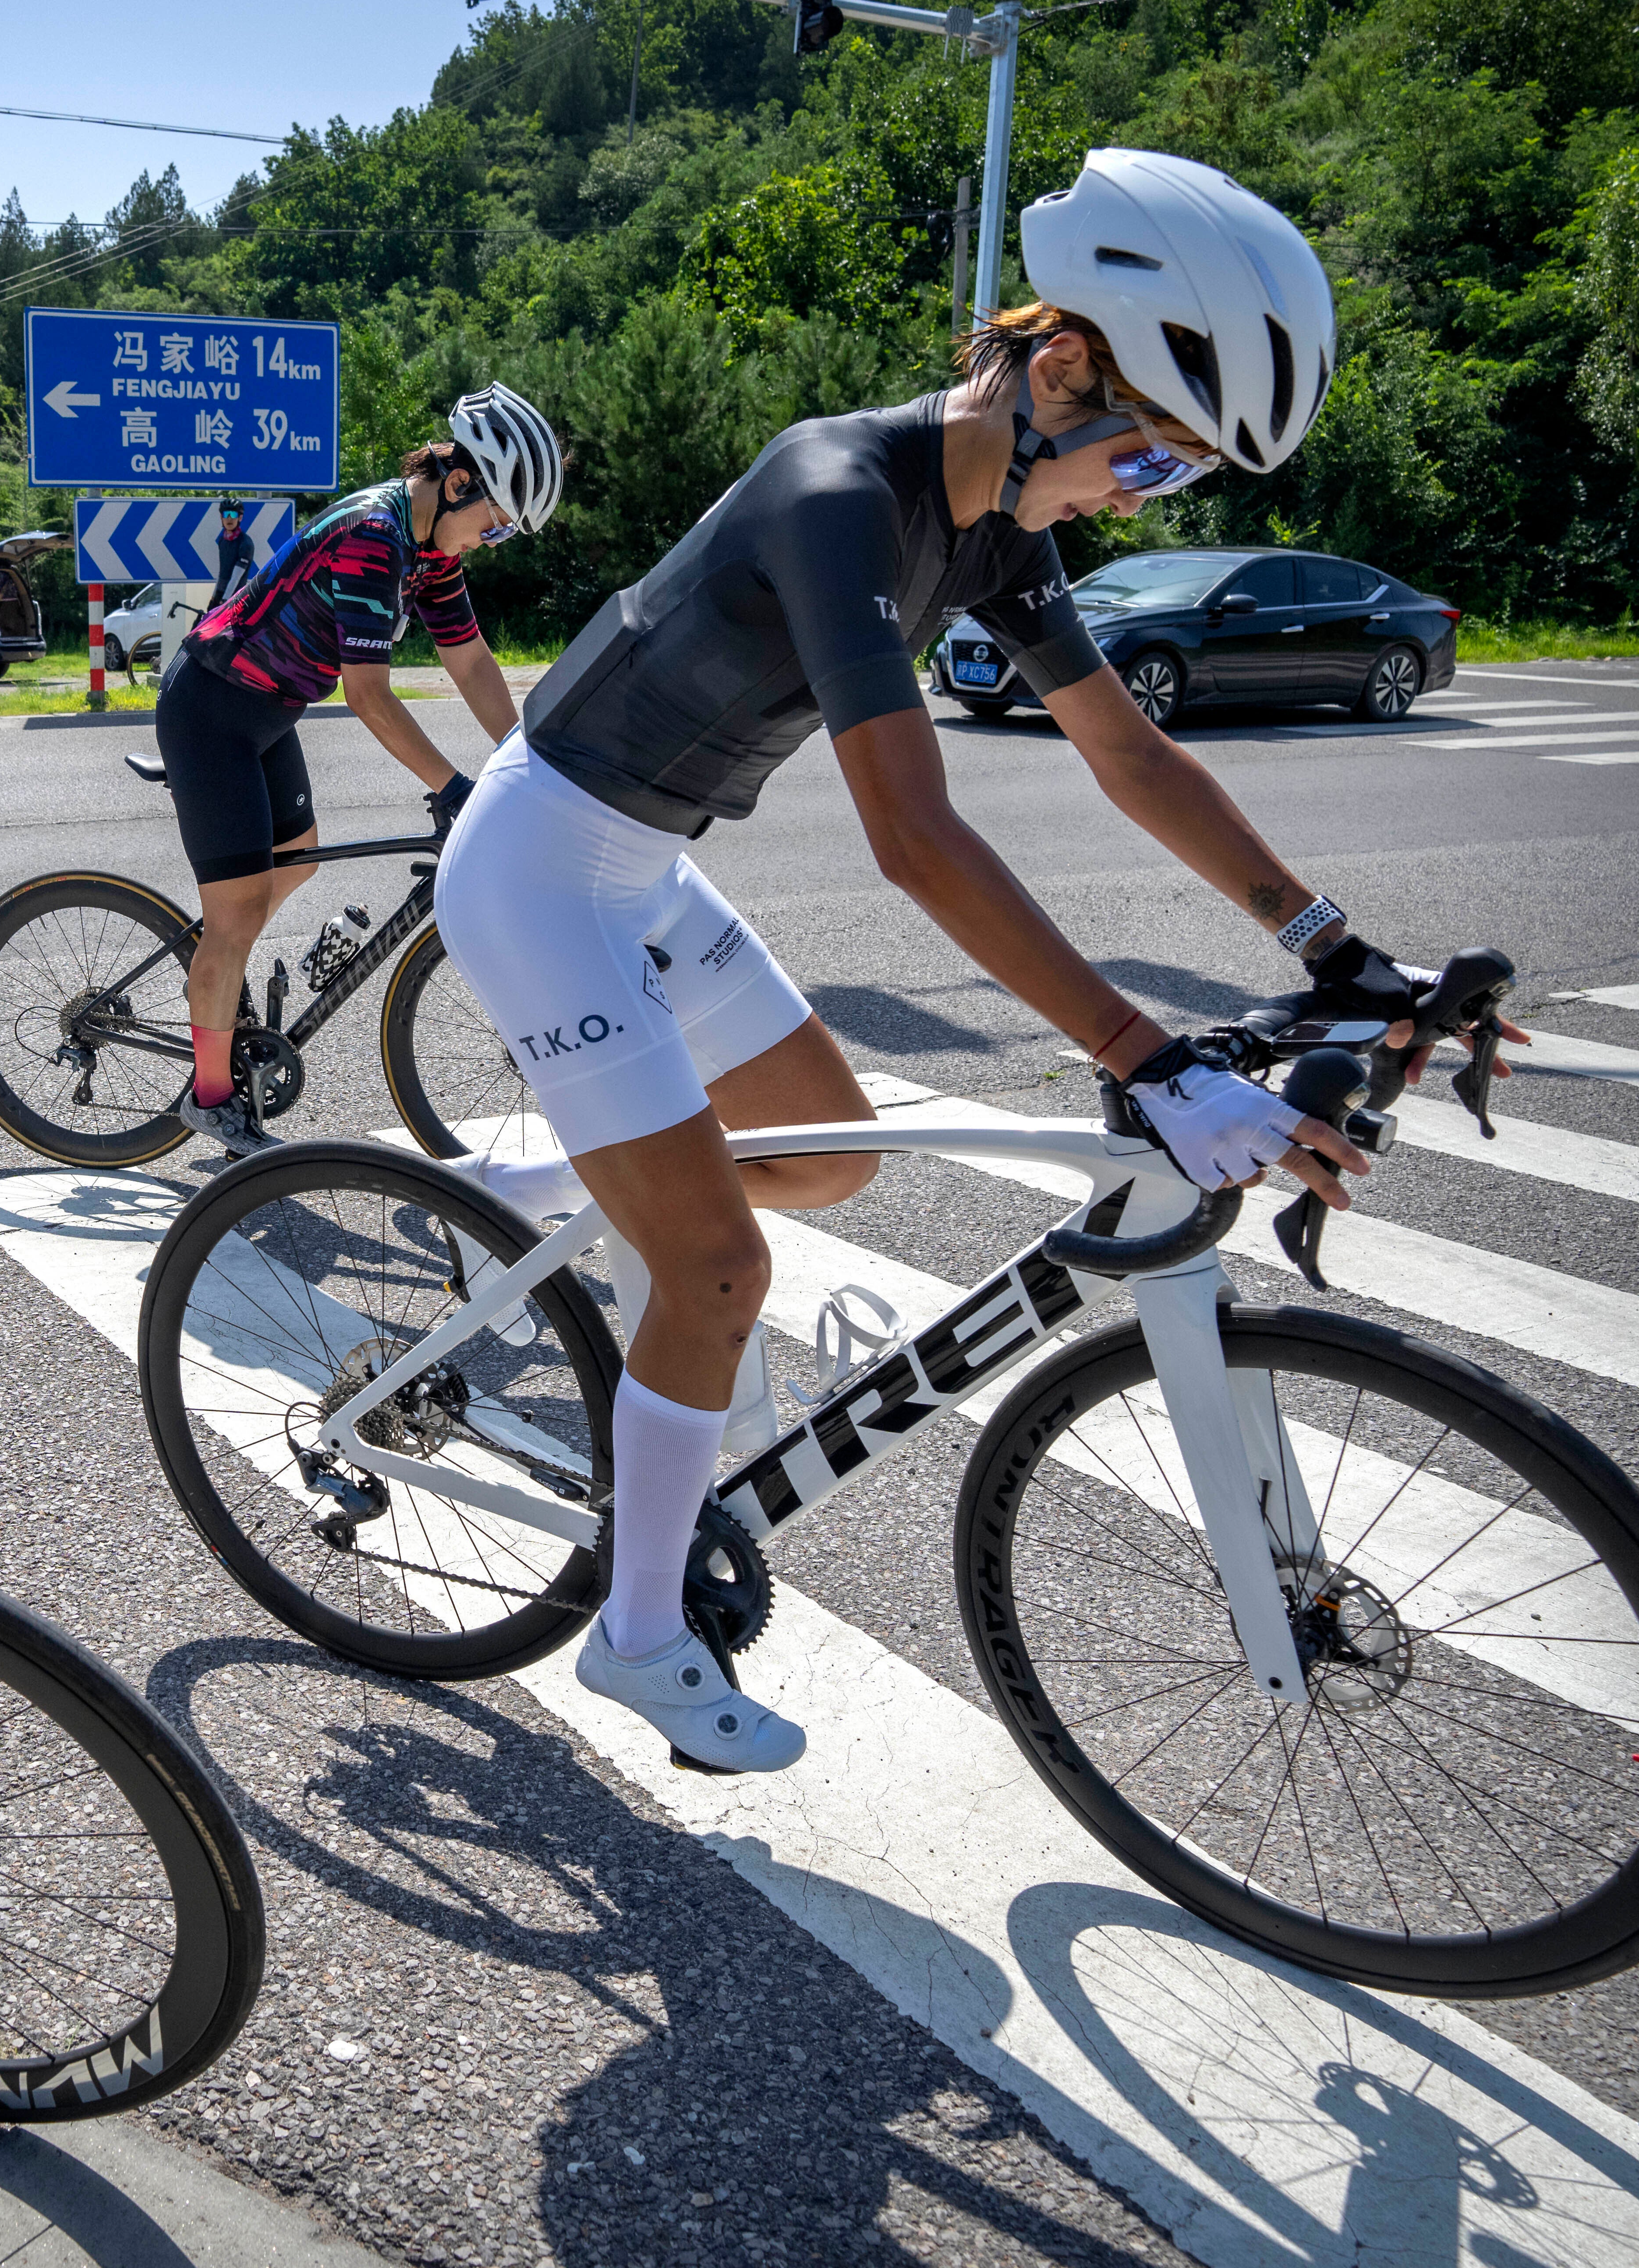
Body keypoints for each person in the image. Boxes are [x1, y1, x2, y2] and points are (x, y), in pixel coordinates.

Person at [427, 148, 1520, 1774]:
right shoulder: (832, 495)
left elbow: (1127, 753)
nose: (1133, 500)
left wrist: (1336, 949)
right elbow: (913, 835)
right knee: (724, 1268)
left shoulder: (999, 533)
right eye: (1148, 464)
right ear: (1059, 367)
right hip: (532, 866)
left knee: (832, 1156)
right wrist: (1143, 1055)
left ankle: (566, 1174)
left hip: (641, 867)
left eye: (1174, 488)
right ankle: (636, 1636)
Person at [153, 382, 564, 1153]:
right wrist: (454, 786)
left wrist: (528, 759)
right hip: (211, 707)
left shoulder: (432, 548)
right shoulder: (376, 537)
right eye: (496, 522)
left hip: (267, 710)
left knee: (298, 861)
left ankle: (216, 964)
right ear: (460, 483)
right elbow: (369, 696)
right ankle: (211, 1095)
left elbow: (470, 661)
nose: (494, 538)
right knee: (238, 916)